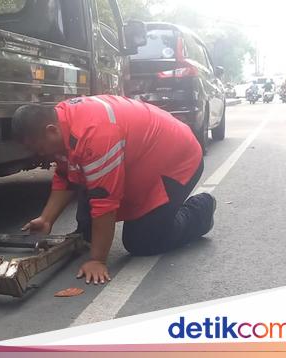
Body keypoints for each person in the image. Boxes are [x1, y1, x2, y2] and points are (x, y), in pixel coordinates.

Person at [12, 96, 216, 285]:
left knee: (142, 241)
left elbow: (104, 202)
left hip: (176, 160)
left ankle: (202, 209)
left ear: (51, 130)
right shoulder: (61, 122)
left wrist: (98, 260)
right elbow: (66, 175)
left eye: (39, 148)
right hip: (140, 160)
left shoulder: (95, 135)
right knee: (86, 231)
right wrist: (47, 219)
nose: (39, 155)